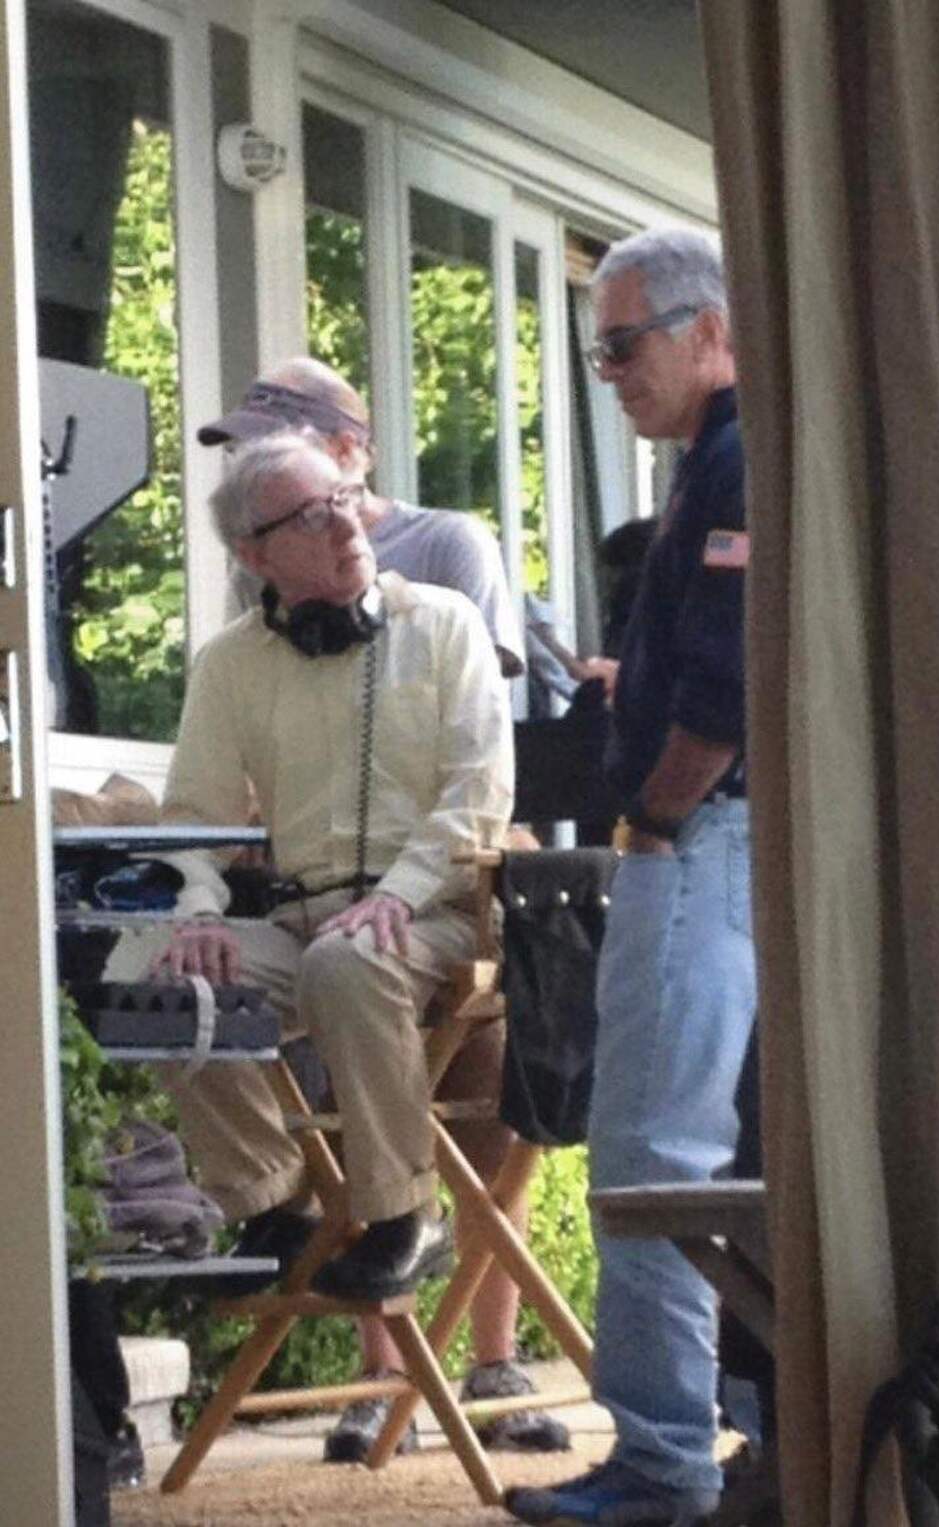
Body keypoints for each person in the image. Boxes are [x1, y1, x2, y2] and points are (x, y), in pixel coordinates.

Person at [196, 362, 566, 1459]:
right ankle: (278, 1208)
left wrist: (393, 898)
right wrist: (199, 905)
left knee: (349, 965)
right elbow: (191, 819)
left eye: (346, 503)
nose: (345, 527)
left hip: (440, 913)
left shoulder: (443, 617)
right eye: (309, 519)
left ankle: (404, 1217)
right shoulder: (230, 665)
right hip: (307, 924)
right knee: (159, 979)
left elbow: (480, 791)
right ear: (255, 555)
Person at [505, 227, 756, 1525]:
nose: (604, 373)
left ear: (708, 329)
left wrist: (655, 815)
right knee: (727, 1148)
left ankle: (661, 1461)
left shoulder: (734, 462)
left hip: (700, 841)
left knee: (652, 1155)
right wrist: (633, 686)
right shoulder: (726, 461)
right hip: (736, 839)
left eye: (619, 345)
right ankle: (758, 1433)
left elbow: (729, 684)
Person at [198, 356, 525, 678]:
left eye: (274, 451)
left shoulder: (449, 542)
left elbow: (483, 688)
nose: (253, 467)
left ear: (345, 449)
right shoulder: (257, 568)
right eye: (240, 451)